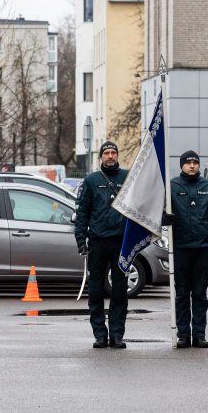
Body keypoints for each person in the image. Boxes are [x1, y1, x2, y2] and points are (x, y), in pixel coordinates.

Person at [164, 150, 208, 349]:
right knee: (181, 294)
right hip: (180, 249)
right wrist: (164, 219)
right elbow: (158, 212)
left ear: (199, 165)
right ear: (182, 165)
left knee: (200, 294)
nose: (192, 166)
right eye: (188, 163)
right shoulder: (171, 187)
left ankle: (199, 334)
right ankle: (183, 334)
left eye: (195, 163)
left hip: (201, 250)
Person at [73, 140, 129, 349]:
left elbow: (139, 205)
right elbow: (83, 213)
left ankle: (116, 335)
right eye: (107, 153)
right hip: (97, 241)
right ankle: (99, 334)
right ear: (101, 157)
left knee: (120, 291)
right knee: (95, 290)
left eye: (113, 152)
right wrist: (81, 240)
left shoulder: (127, 178)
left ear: (117, 155)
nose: (110, 156)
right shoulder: (91, 180)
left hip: (121, 242)